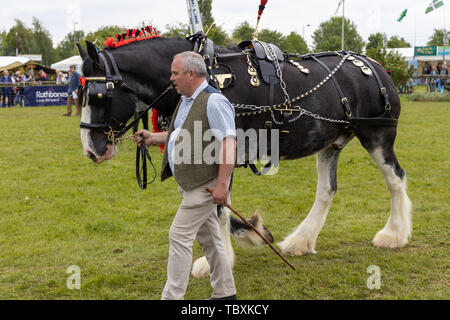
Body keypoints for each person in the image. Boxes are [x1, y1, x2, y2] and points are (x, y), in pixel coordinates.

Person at [135, 51, 237, 300]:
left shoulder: (214, 102)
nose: (171, 79)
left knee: (178, 236)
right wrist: (154, 137)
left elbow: (229, 143)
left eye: (175, 73)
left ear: (191, 74)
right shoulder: (187, 99)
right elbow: (182, 135)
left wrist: (222, 185)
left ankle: (172, 297)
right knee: (211, 240)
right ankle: (225, 293)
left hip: (204, 187)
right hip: (192, 184)